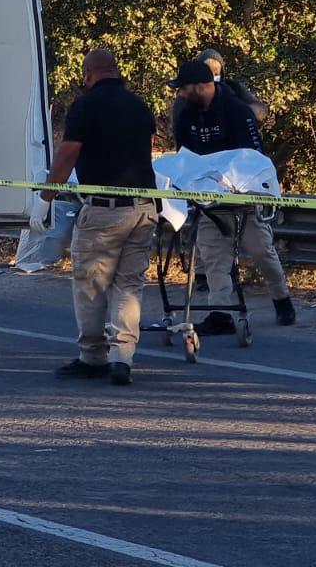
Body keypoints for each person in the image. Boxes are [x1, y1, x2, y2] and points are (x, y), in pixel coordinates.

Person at [43, 48, 158, 386]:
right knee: (129, 285)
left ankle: (93, 356)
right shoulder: (140, 106)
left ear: (88, 74)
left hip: (104, 211)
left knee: (91, 283)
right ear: (116, 71)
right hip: (144, 209)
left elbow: (68, 154)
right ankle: (123, 357)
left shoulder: (86, 105)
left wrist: (46, 197)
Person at [170, 59, 296, 332]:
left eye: (183, 88)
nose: (179, 94)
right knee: (214, 255)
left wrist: (236, 187)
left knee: (262, 250)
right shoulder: (186, 116)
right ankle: (221, 313)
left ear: (202, 87)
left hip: (242, 196)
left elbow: (252, 158)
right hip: (208, 200)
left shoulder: (238, 112)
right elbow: (185, 159)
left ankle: (282, 298)